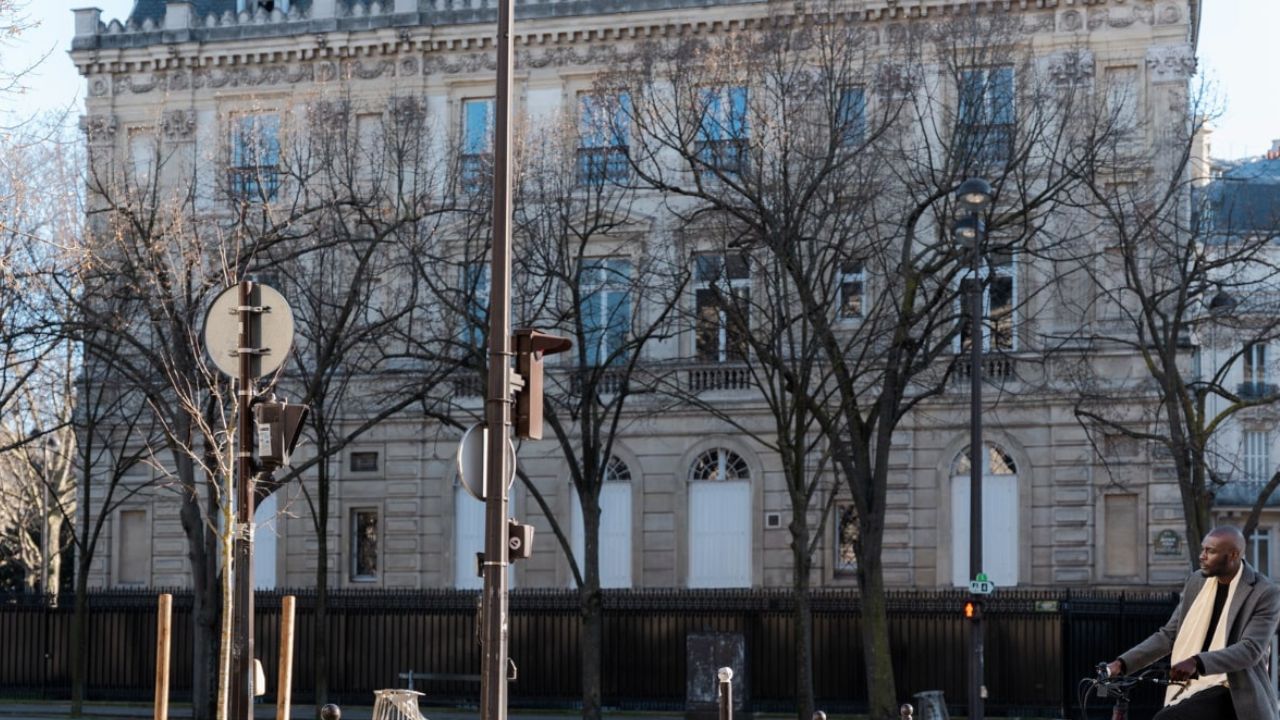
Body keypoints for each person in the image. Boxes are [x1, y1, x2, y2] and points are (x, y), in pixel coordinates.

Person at [1103, 526, 1280, 720]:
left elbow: (1250, 650)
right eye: (1203, 549)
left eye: (1210, 551)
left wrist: (1197, 662)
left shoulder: (1264, 592)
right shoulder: (1197, 582)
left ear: (1233, 555)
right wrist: (1123, 663)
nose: (1202, 556)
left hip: (1233, 689)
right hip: (1191, 685)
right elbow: (1169, 635)